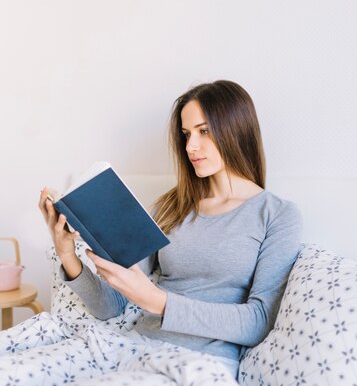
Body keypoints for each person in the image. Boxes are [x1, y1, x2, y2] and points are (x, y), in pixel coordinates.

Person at [38, 79, 303, 378]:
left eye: (204, 131)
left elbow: (258, 321)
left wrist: (157, 301)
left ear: (236, 130)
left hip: (199, 363)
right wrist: (67, 255)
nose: (191, 146)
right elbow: (109, 307)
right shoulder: (170, 206)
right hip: (133, 347)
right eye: (186, 134)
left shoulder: (277, 215)